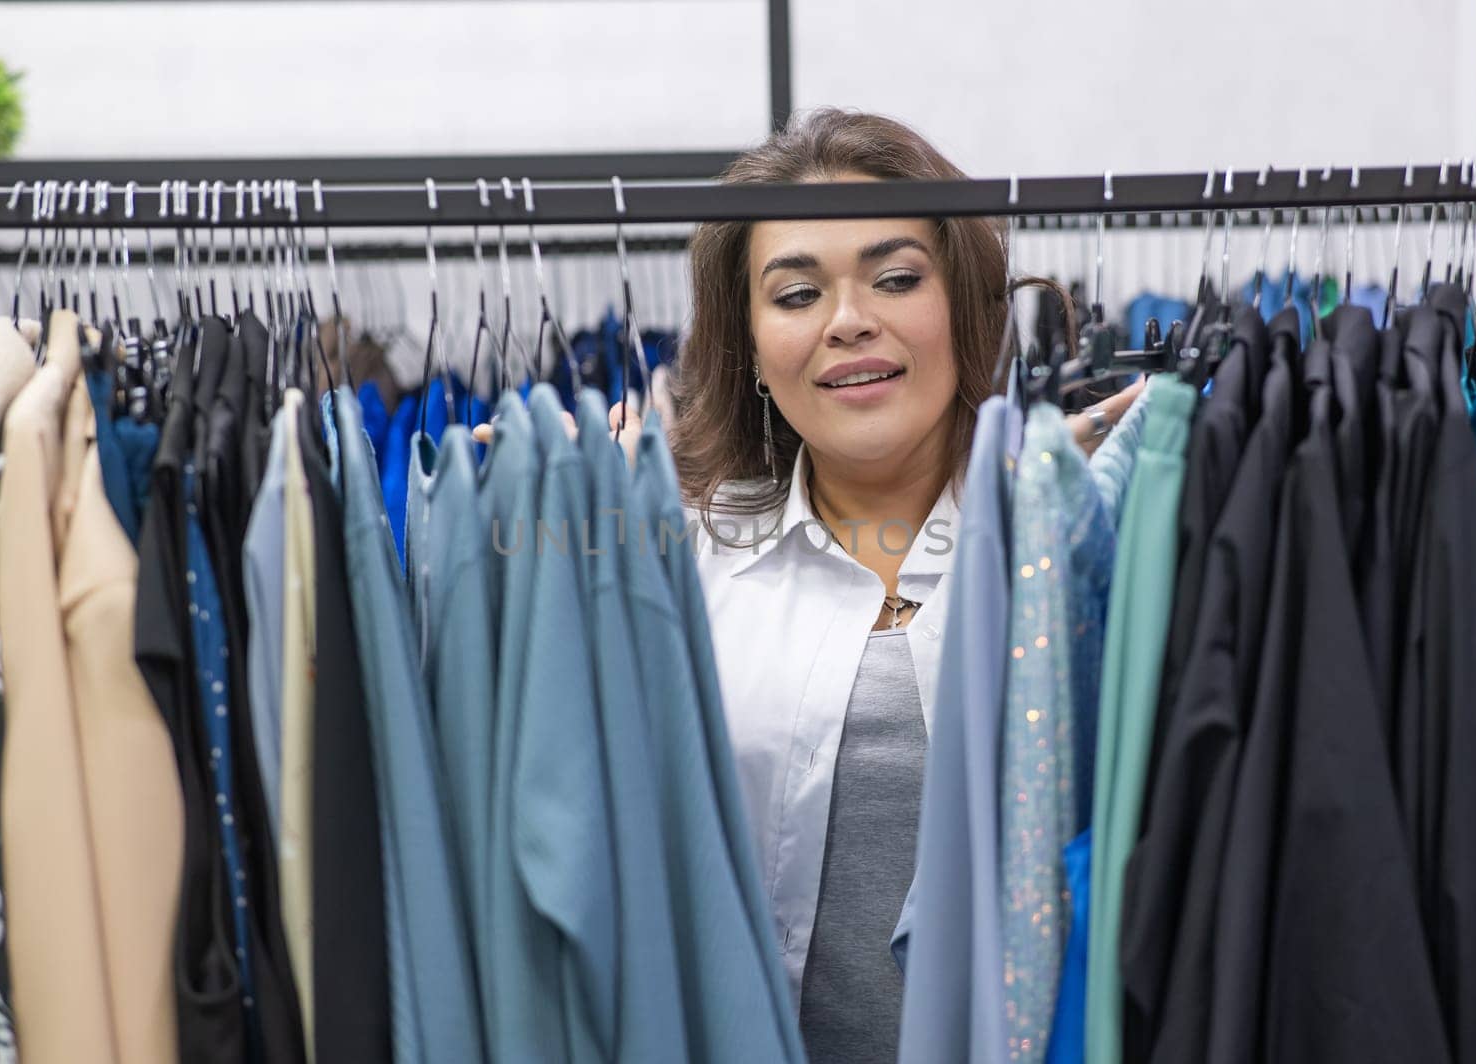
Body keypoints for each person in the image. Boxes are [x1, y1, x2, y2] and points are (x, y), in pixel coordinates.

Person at [480, 106, 1139, 1062]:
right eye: (796, 295)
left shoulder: (1076, 549)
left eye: (897, 278)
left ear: (965, 301)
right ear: (747, 345)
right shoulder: (674, 566)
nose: (848, 322)